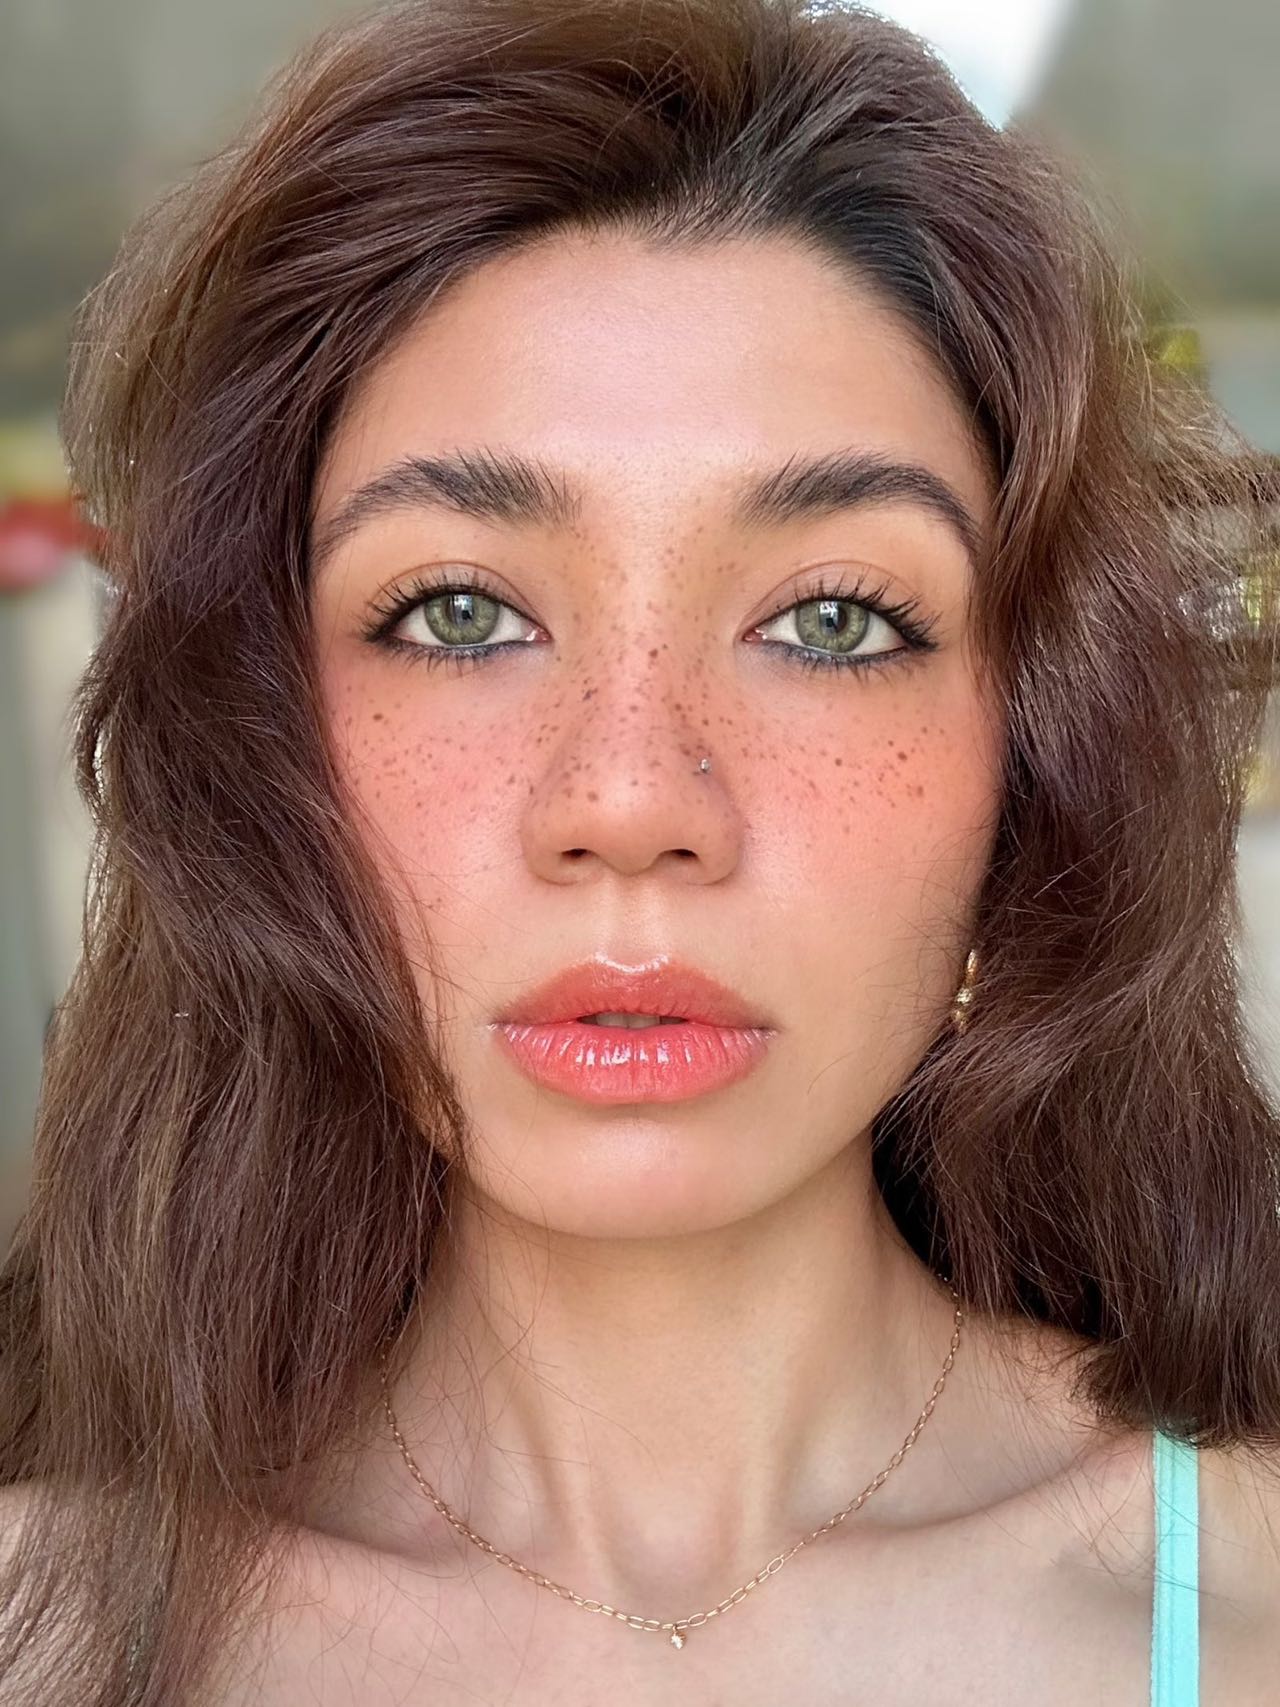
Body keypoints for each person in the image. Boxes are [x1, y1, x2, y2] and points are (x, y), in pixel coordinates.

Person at [3, 0, 1279, 1701]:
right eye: (460, 613)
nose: (628, 800)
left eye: (833, 620)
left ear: (1029, 774)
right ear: (265, 762)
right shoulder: (44, 1634)